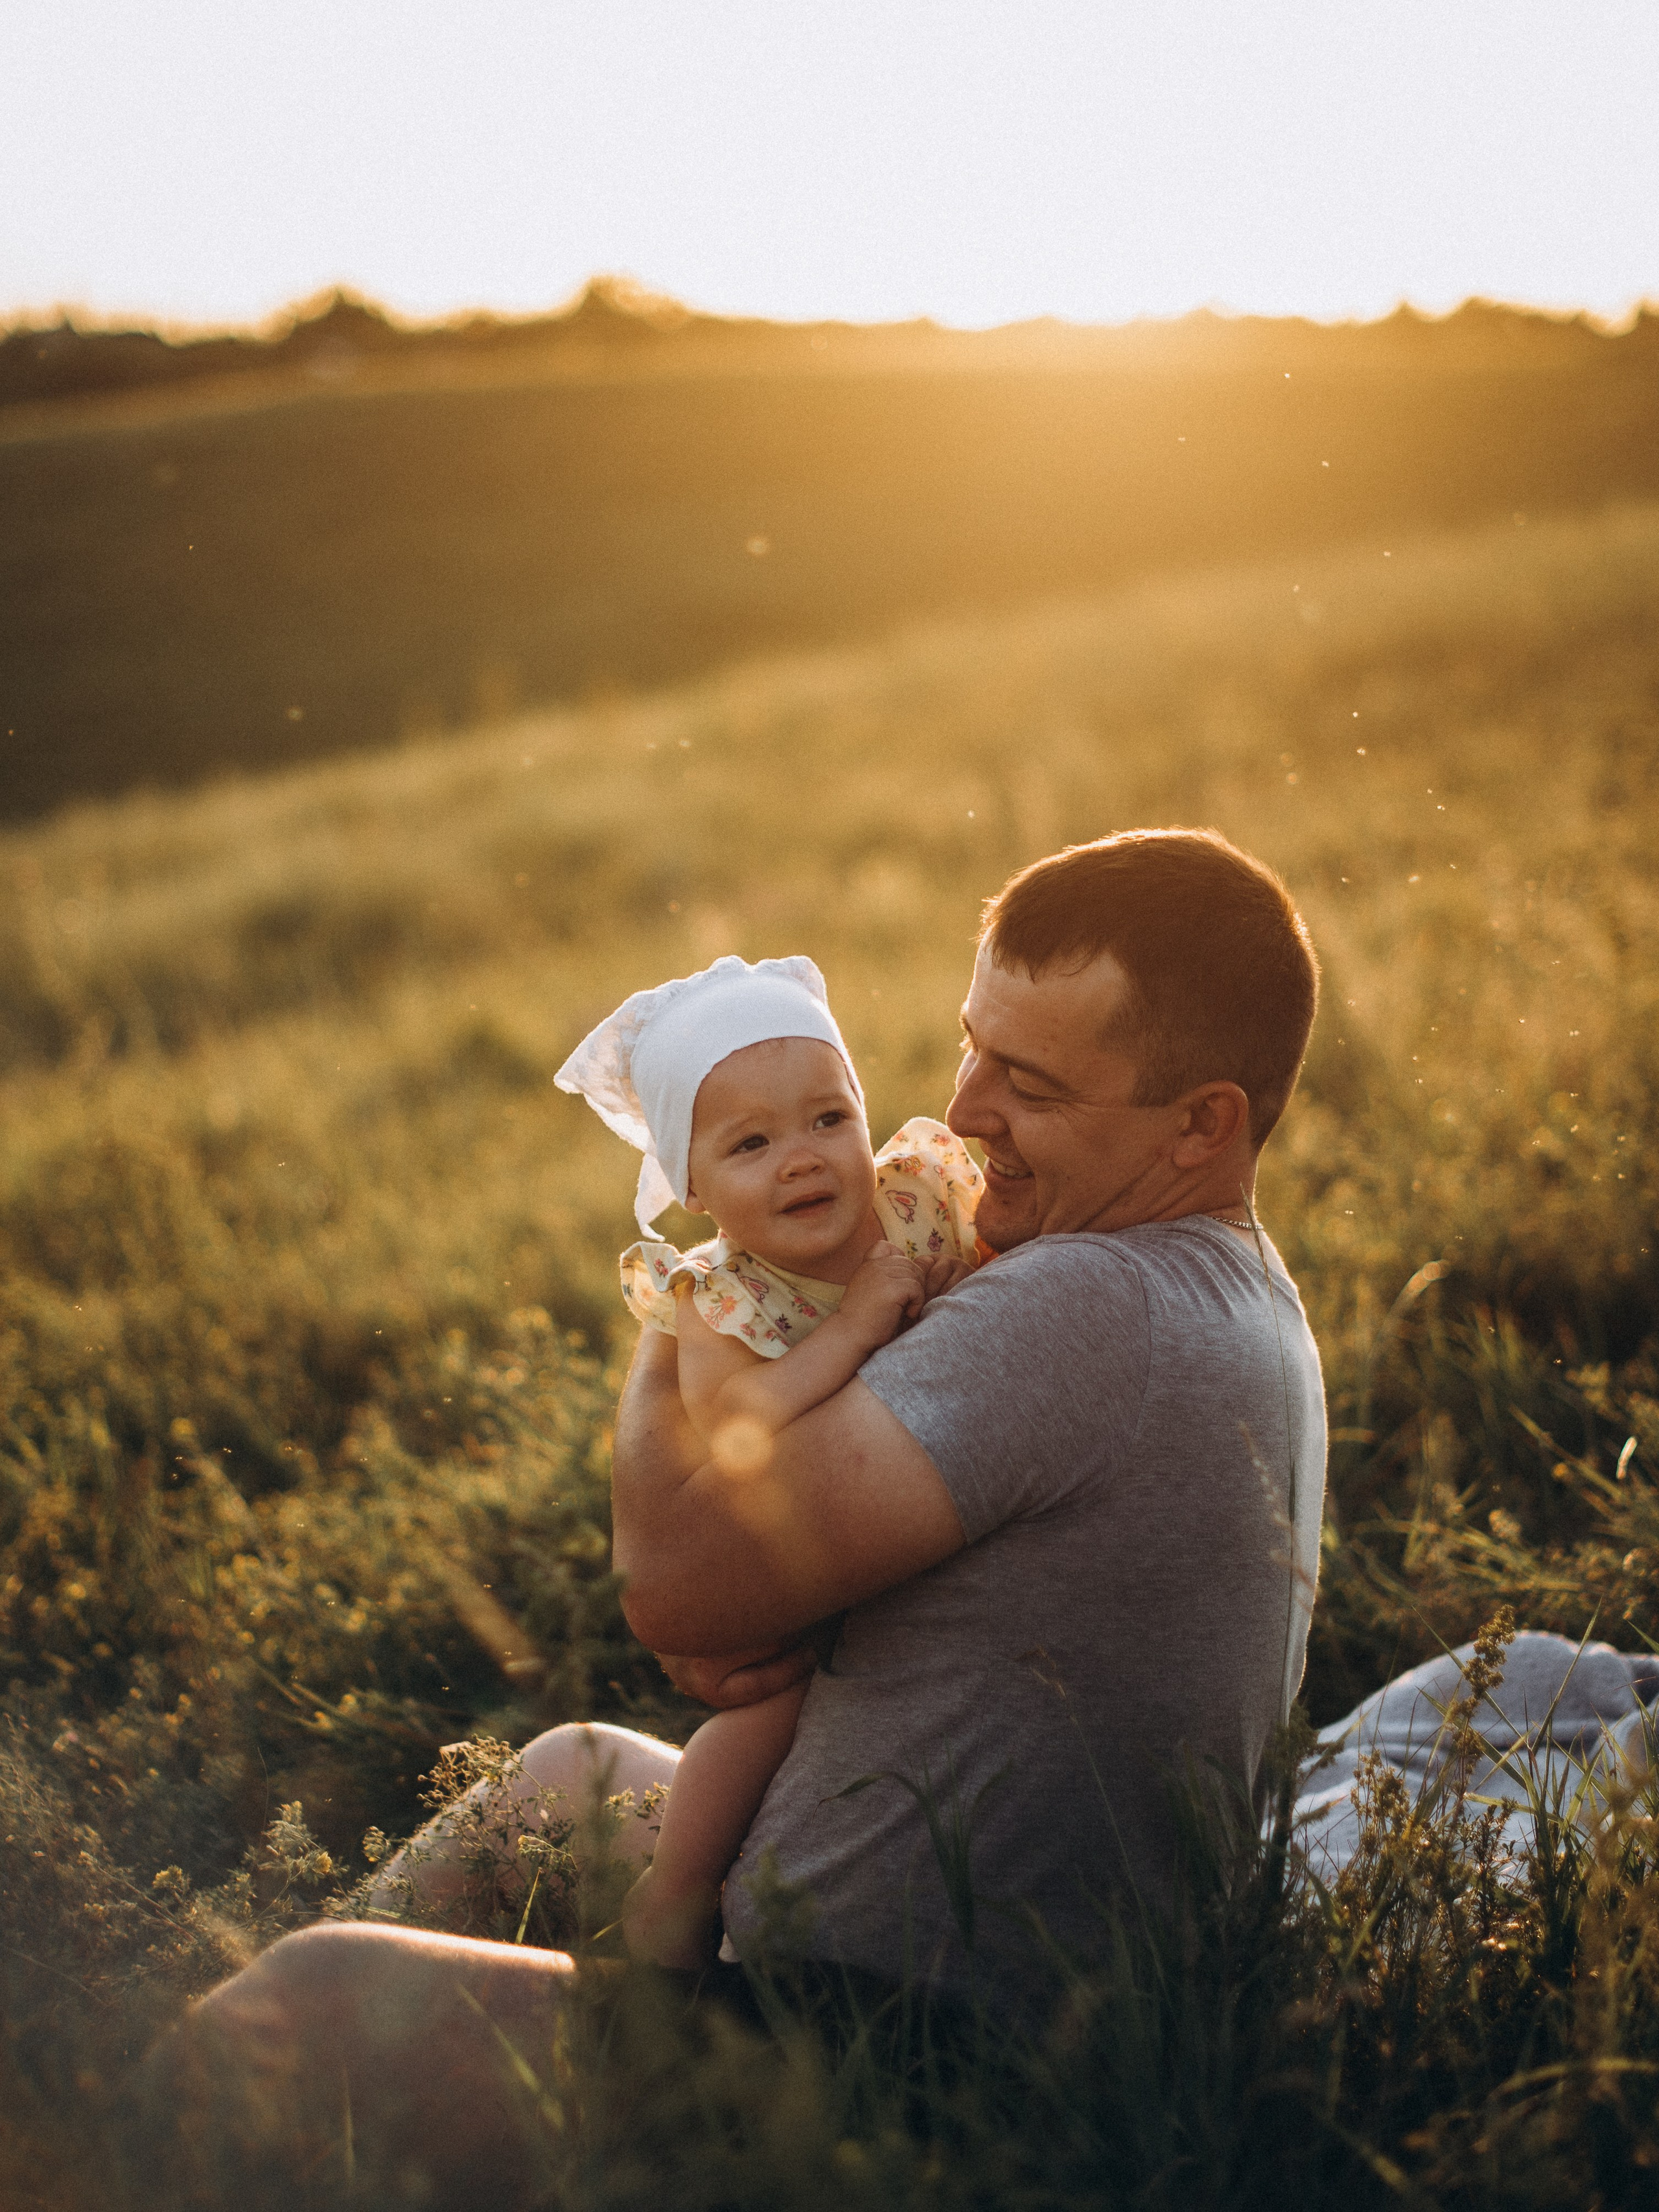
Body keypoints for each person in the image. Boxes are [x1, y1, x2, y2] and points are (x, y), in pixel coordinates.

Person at [142, 828, 1327, 2197]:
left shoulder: (1087, 1306)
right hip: (927, 1945)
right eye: (971, 1046)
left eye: (1033, 1082)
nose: (967, 1107)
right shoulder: (1222, 1286)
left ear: (1201, 1122)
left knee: (310, 2007)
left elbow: (682, 1586)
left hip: (911, 2048)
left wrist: (691, 1306)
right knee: (568, 1774)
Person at [551, 952, 980, 1966]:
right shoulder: (720, 1301)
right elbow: (741, 1424)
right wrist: (856, 1330)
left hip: (917, 1511)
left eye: (829, 1117)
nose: (802, 1157)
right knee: (764, 1720)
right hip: (789, 1562)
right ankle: (677, 1897)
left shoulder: (917, 1199)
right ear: (694, 1187)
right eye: (752, 1142)